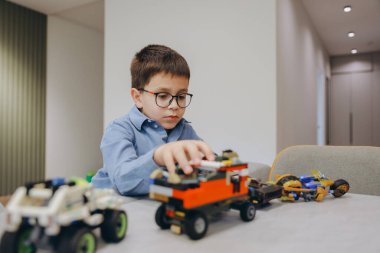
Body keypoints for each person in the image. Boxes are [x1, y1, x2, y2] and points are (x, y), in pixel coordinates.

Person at [91, 44, 215, 195]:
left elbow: (206, 163)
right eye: (162, 96)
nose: (175, 105)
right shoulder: (119, 129)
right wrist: (158, 157)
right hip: (113, 206)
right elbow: (122, 181)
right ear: (138, 98)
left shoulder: (185, 130)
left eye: (181, 96)